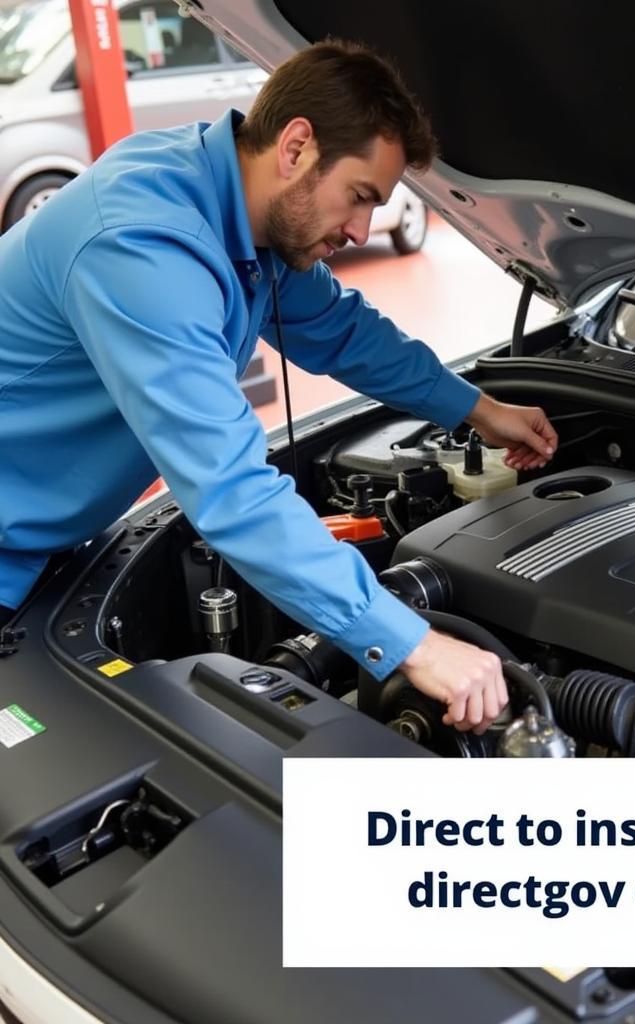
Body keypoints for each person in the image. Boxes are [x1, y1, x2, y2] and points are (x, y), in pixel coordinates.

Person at [0, 40, 559, 733]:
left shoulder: (244, 212)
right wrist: (411, 643)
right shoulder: (143, 246)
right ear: (296, 146)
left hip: (49, 540)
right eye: (359, 197)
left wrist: (478, 410)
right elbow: (230, 488)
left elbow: (343, 331)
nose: (360, 229)